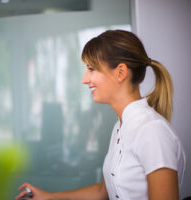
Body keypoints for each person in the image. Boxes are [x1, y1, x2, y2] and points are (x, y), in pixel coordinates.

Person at [16, 30, 186, 200]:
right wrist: (49, 197)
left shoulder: (152, 131)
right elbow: (102, 192)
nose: (84, 79)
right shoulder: (120, 127)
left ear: (120, 73)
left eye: (92, 69)